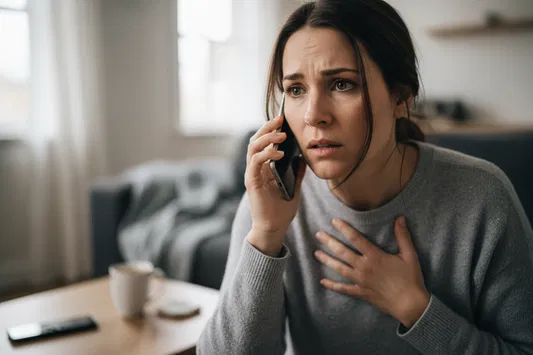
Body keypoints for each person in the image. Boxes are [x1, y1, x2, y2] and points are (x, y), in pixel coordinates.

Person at [197, 0, 533, 354]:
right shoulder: (268, 204)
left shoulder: (483, 197)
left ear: (401, 97)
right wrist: (265, 236)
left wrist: (417, 310)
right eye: (296, 90)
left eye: (342, 84)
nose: (313, 115)